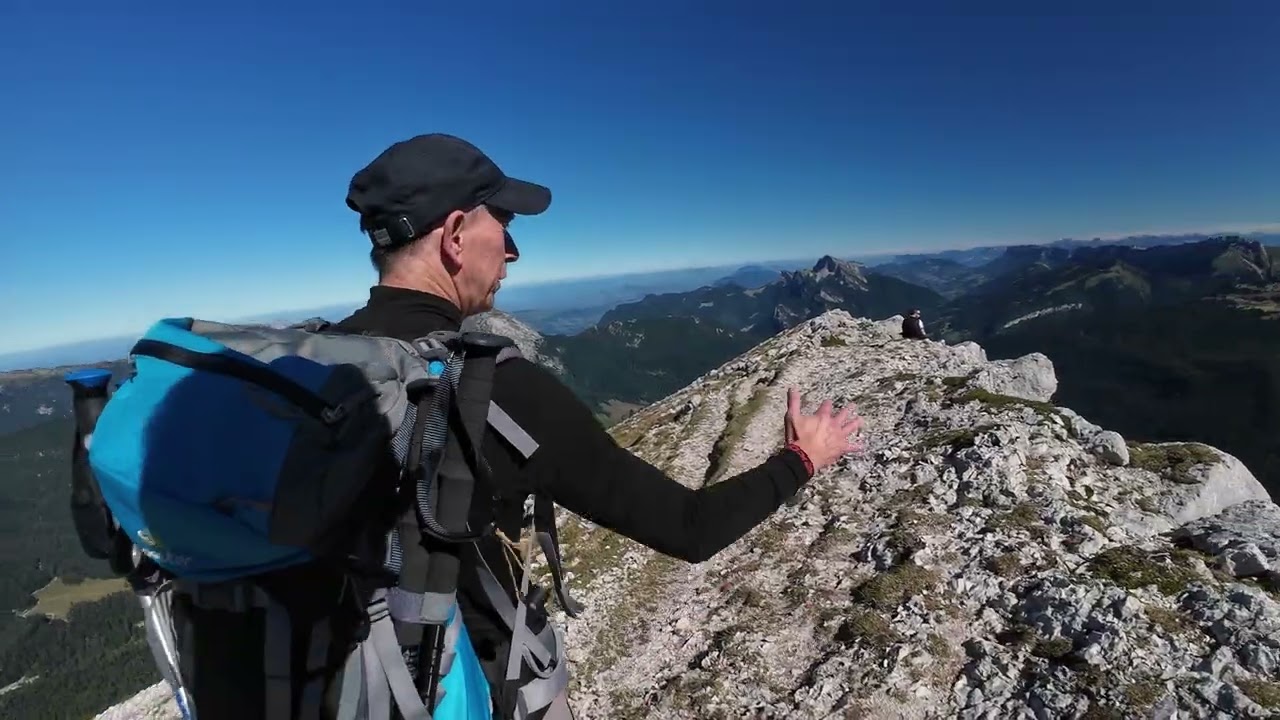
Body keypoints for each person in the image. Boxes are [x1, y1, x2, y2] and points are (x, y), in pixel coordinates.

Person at [336, 132, 866, 717]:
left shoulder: (319, 363)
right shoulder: (493, 388)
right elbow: (691, 528)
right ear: (457, 235)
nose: (512, 251)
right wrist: (803, 458)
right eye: (505, 225)